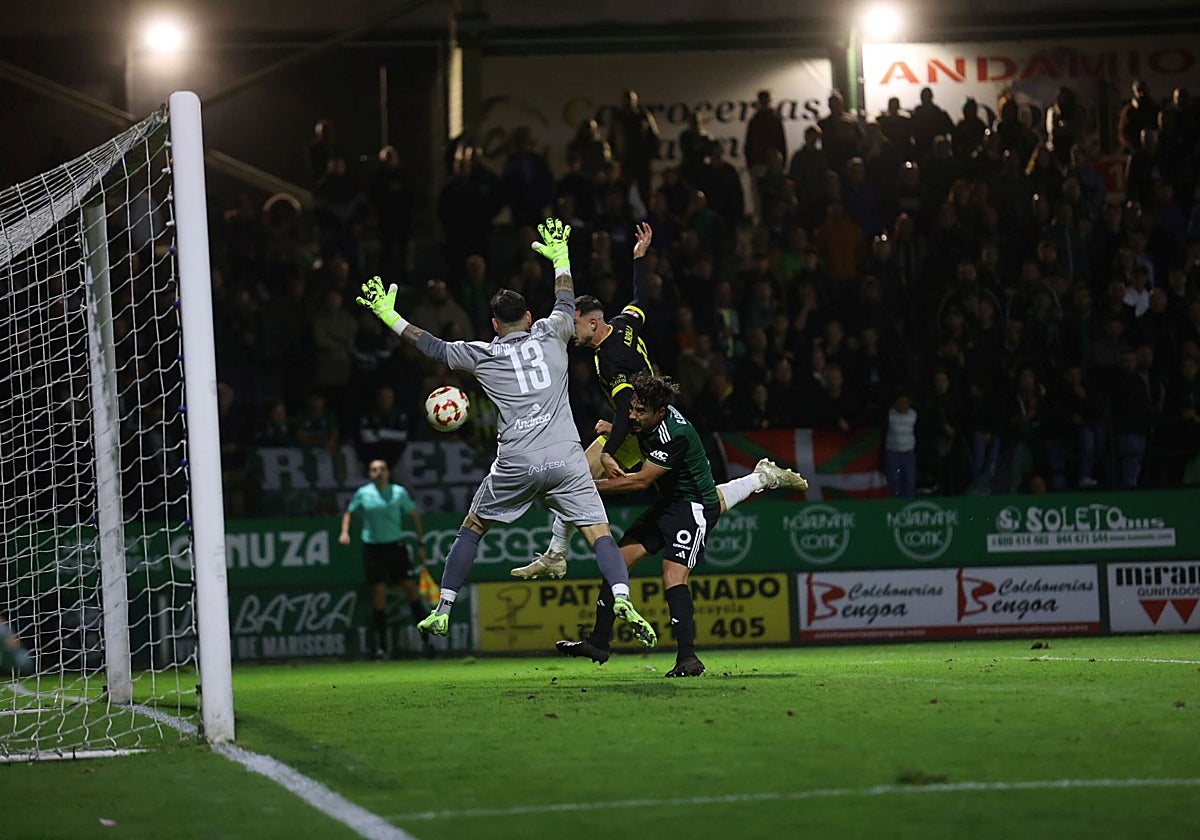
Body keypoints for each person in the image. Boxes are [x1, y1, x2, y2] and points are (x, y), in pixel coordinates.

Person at [356, 218, 658, 648]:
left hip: (517, 460)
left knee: (473, 527)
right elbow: (565, 295)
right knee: (599, 533)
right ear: (530, 317)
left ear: (494, 325)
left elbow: (430, 345)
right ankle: (624, 597)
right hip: (566, 457)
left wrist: (389, 314)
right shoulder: (553, 330)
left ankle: (442, 610)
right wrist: (560, 256)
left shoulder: (481, 354)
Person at [512, 223, 808, 581]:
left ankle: (557, 554)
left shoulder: (610, 358)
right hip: (655, 419)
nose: (569, 330)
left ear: (592, 322)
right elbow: (641, 301)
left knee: (578, 478)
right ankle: (762, 479)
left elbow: (625, 409)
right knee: (696, 498)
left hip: (642, 425)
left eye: (574, 323)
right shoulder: (622, 325)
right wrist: (640, 258)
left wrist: (610, 447)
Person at [555, 373, 808, 677]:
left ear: (659, 413)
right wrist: (614, 428)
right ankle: (598, 642)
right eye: (631, 409)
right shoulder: (647, 418)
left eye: (639, 412)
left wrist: (585, 486)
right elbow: (633, 432)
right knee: (617, 561)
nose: (632, 416)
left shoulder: (675, 434)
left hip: (692, 507)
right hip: (669, 503)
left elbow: (640, 481)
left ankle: (688, 659)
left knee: (673, 575)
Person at [338, 459, 434, 659]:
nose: (378, 472)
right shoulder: (363, 493)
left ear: (388, 472)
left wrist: (421, 543)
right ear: (369, 473)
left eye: (382, 468)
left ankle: (427, 642)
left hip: (395, 547)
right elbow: (349, 512)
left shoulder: (398, 492)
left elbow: (414, 515)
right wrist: (344, 532)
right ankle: (381, 647)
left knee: (410, 590)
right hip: (373, 548)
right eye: (374, 469)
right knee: (379, 593)